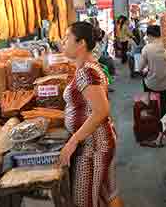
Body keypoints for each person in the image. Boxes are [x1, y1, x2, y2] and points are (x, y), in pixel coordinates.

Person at [59, 21, 124, 207]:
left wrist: (73, 141)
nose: (63, 42)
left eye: (67, 38)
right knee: (107, 194)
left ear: (81, 44)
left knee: (84, 200)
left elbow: (101, 111)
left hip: (94, 145)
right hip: (97, 142)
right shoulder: (87, 67)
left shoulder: (86, 71)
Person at [140, 25, 166, 115]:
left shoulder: (147, 48)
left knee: (144, 77)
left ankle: (148, 100)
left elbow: (140, 68)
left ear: (149, 35)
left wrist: (147, 69)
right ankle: (164, 122)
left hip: (153, 85)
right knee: (165, 105)